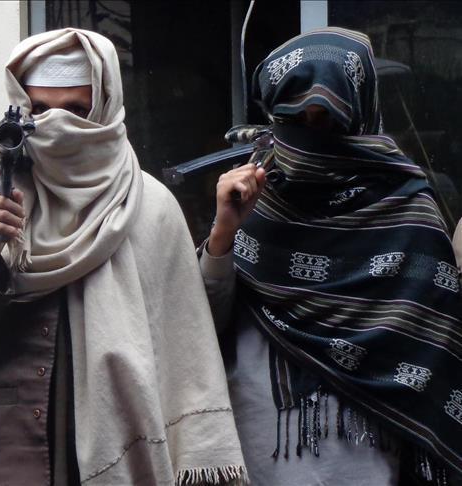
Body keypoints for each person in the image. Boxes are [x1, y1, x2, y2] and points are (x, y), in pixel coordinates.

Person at [0, 28, 246, 486]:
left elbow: (188, 335)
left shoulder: (150, 208)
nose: (57, 126)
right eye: (40, 111)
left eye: (75, 111)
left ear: (104, 108)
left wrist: (221, 239)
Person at [200, 27, 462, 485]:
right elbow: (202, 325)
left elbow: (434, 346)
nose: (309, 139)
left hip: (368, 455)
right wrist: (223, 234)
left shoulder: (407, 210)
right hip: (262, 445)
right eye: (294, 120)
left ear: (359, 115)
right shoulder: (256, 203)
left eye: (325, 121)